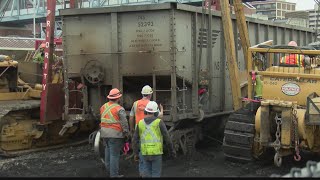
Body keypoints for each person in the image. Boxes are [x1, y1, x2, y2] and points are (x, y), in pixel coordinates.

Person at [132, 101, 176, 177]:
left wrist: (136, 153)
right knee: (156, 173)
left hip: (145, 153)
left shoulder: (140, 123)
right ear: (156, 112)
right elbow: (167, 138)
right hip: (156, 153)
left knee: (147, 174)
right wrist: (172, 151)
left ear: (146, 111)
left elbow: (134, 140)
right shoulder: (159, 122)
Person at [129, 85, 163, 177]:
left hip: (139, 128)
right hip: (149, 131)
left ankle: (142, 173)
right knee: (148, 150)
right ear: (150, 94)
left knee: (141, 152)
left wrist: (132, 128)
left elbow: (131, 116)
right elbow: (159, 116)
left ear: (142, 94)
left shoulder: (135, 103)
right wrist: (161, 110)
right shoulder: (152, 103)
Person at [100, 88, 129, 177]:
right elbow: (124, 123)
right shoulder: (119, 109)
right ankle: (114, 175)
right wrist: (126, 133)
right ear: (118, 98)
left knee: (107, 152)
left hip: (104, 133)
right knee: (114, 155)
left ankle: (109, 171)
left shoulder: (103, 107)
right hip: (115, 134)